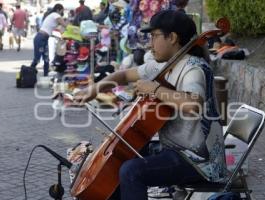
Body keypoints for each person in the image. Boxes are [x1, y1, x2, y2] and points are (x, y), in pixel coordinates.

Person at [74, 10, 227, 200]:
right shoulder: (164, 64)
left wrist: (153, 89)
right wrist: (94, 90)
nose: (150, 43)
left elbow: (192, 104)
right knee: (120, 157)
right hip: (173, 149)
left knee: (132, 171)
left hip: (199, 161)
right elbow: (122, 75)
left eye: (154, 36)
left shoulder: (193, 68)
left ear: (172, 38)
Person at [30, 4, 67, 77]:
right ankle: (29, 73)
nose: (62, 13)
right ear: (58, 10)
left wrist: (60, 36)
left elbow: (55, 30)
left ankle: (46, 77)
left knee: (46, 59)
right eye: (61, 11)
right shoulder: (55, 15)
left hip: (44, 38)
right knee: (37, 59)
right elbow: (65, 25)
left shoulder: (52, 16)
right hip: (40, 38)